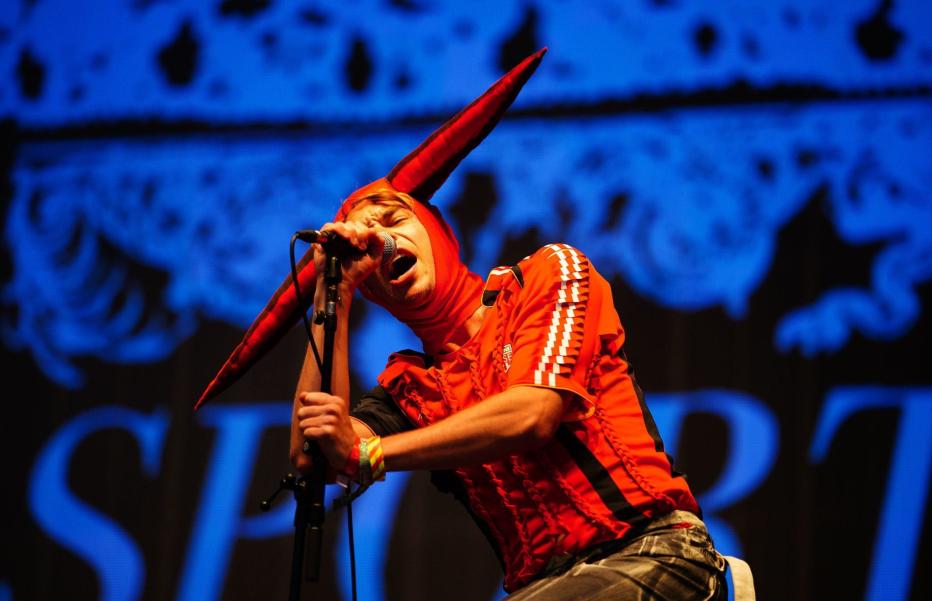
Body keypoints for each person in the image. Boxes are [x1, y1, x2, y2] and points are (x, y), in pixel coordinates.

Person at [198, 48, 726, 600]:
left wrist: (373, 453)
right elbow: (314, 459)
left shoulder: (548, 273)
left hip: (655, 555)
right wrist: (336, 286)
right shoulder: (415, 387)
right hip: (546, 588)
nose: (380, 240)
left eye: (395, 219)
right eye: (365, 238)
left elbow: (533, 413)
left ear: (442, 236)